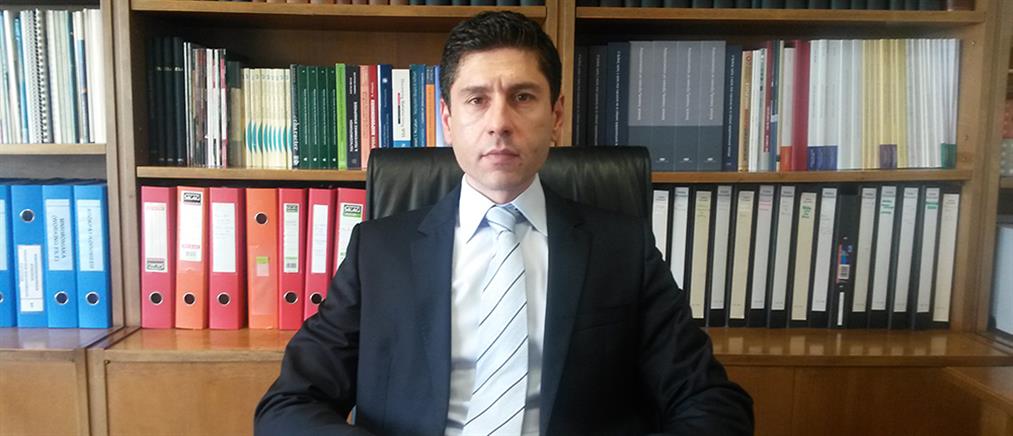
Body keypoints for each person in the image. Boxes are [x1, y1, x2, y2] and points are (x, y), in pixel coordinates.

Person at [255, 11, 753, 435]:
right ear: (448, 120)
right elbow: (288, 405)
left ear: (556, 116)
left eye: (523, 97)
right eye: (476, 99)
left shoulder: (622, 248)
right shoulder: (379, 252)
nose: (499, 123)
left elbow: (713, 404)